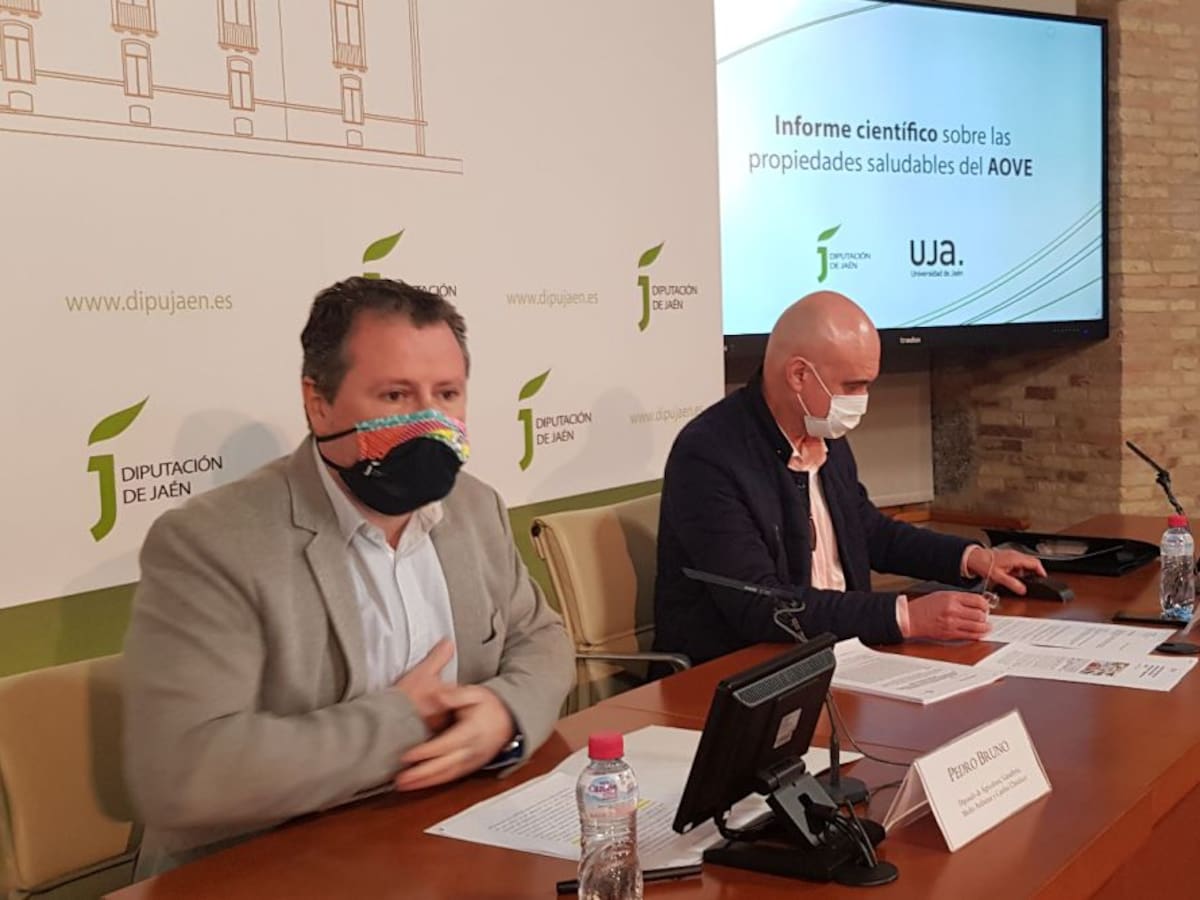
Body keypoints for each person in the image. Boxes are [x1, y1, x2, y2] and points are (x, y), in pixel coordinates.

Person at [123, 277, 574, 876]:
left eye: (447, 393)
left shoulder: (474, 507)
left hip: (445, 840)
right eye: (394, 395)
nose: (428, 420)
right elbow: (185, 770)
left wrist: (503, 712)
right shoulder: (211, 542)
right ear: (318, 403)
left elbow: (541, 638)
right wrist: (403, 721)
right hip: (266, 865)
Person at [653, 291, 1045, 665]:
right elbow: (761, 604)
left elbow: (867, 531)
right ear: (799, 375)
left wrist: (971, 558)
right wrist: (904, 617)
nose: (861, 401)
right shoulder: (709, 455)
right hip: (744, 671)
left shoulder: (823, 434)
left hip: (844, 654)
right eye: (852, 386)